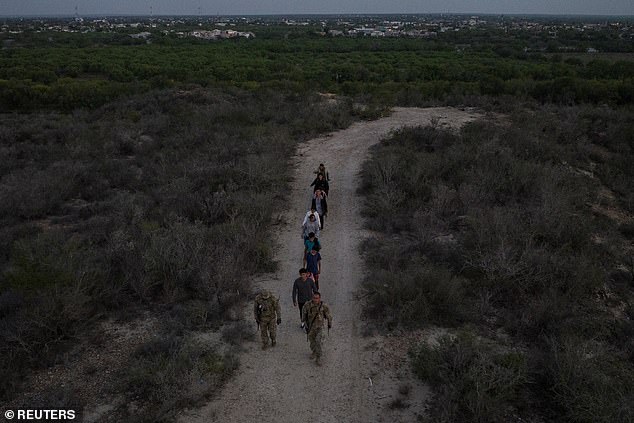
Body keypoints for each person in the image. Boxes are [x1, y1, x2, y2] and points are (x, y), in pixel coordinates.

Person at [301, 292, 332, 366]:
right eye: (314, 298)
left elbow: (328, 314)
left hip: (320, 327)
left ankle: (318, 357)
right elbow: (304, 313)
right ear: (312, 298)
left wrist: (329, 322)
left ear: (319, 298)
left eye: (317, 298)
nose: (315, 299)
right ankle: (314, 351)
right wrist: (304, 322)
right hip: (311, 327)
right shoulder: (307, 305)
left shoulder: (323, 306)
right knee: (312, 341)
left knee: (318, 341)